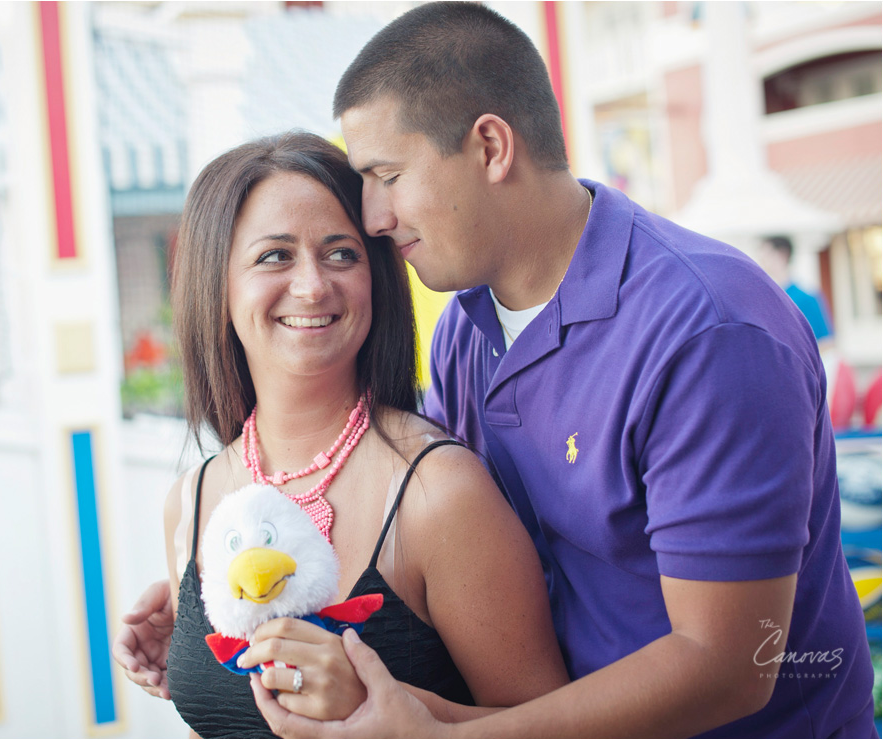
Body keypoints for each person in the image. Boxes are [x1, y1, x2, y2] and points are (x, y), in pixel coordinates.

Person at [245, 3, 877, 738]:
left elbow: (728, 667)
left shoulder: (708, 330)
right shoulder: (463, 330)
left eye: (387, 174)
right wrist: (227, 588)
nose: (375, 216)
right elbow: (414, 522)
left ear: (490, 146)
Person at [119, 130, 568, 738]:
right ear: (216, 286)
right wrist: (191, 654)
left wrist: (382, 703)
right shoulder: (192, 500)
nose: (312, 285)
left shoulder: (437, 493)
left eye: (341, 253)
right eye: (275, 255)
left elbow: (555, 725)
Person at [757, 235, 835, 347]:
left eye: (765, 256)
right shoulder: (763, 298)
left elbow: (825, 341)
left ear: (781, 255)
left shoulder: (807, 299)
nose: (761, 262)